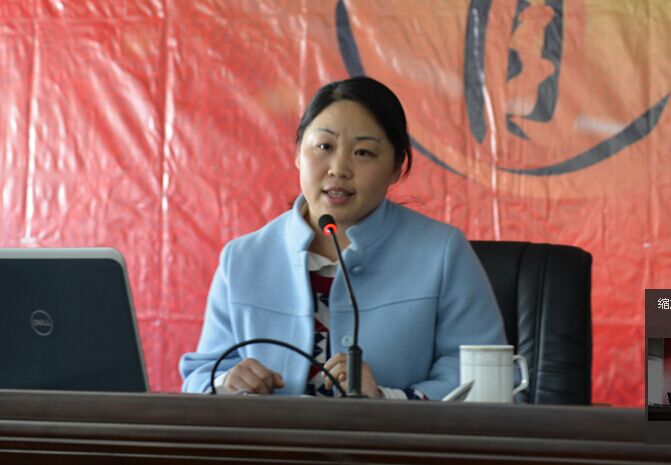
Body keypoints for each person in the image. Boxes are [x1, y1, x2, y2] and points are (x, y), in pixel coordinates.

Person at [179, 76, 507, 400]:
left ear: (396, 167)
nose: (339, 168)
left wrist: (389, 399)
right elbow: (199, 377)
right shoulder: (243, 258)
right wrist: (226, 381)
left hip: (391, 436)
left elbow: (486, 381)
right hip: (272, 436)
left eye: (363, 152)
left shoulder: (442, 253)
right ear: (298, 153)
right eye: (324, 147)